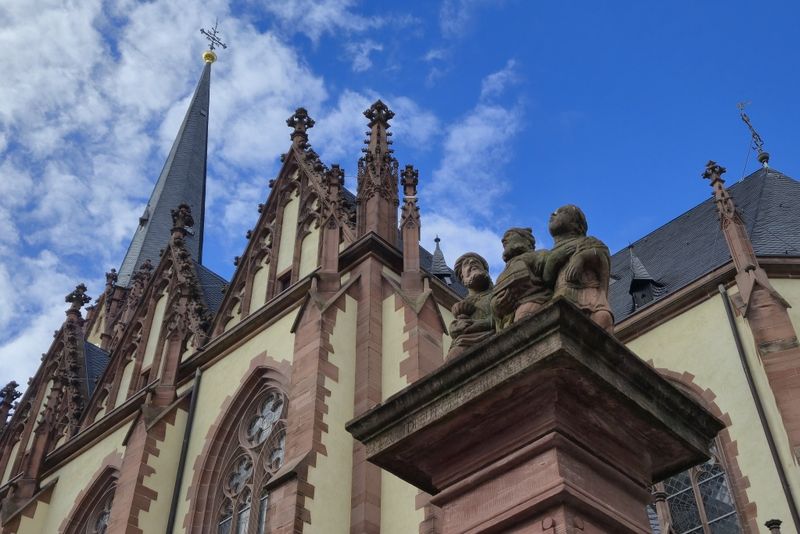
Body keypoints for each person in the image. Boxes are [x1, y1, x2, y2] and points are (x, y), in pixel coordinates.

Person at [543, 205, 614, 332]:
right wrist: (556, 258)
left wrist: (582, 257)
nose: (552, 215)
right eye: (554, 212)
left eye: (561, 212)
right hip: (564, 293)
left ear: (577, 226)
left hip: (589, 291)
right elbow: (546, 278)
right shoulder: (549, 254)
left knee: (603, 318)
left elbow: (603, 257)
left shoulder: (589, 242)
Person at [490, 228, 551, 330]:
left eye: (510, 235)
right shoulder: (504, 271)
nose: (503, 240)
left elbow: (551, 277)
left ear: (526, 240)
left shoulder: (540, 255)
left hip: (532, 302)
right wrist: (498, 304)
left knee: (523, 320)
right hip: (507, 318)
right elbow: (493, 303)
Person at [447, 252, 495, 358]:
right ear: (463, 278)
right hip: (464, 342)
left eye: (476, 262)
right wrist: (455, 327)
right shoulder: (464, 303)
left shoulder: (497, 292)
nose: (472, 262)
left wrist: (483, 324)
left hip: (493, 337)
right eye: (466, 264)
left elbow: (506, 315)